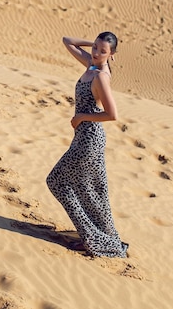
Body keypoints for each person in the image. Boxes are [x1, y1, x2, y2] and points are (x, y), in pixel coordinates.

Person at [46, 31, 128, 258]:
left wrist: (82, 117)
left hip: (89, 139)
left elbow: (113, 115)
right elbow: (67, 41)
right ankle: (104, 238)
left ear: (112, 55)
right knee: (91, 191)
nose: (96, 53)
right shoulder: (91, 66)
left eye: (103, 51)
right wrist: (95, 45)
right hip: (84, 137)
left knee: (56, 181)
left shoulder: (101, 75)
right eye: (95, 48)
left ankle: (93, 238)